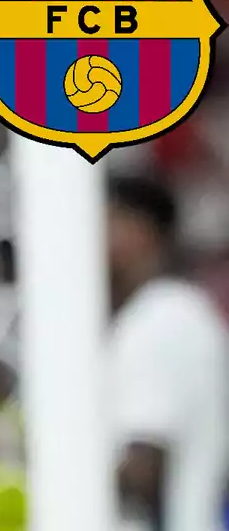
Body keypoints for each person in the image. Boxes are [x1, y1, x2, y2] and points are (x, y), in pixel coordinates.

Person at [106, 175, 229, 531]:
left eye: (105, 222)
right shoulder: (148, 315)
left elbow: (143, 470)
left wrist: (39, 472)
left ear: (139, 231)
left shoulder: (164, 317)